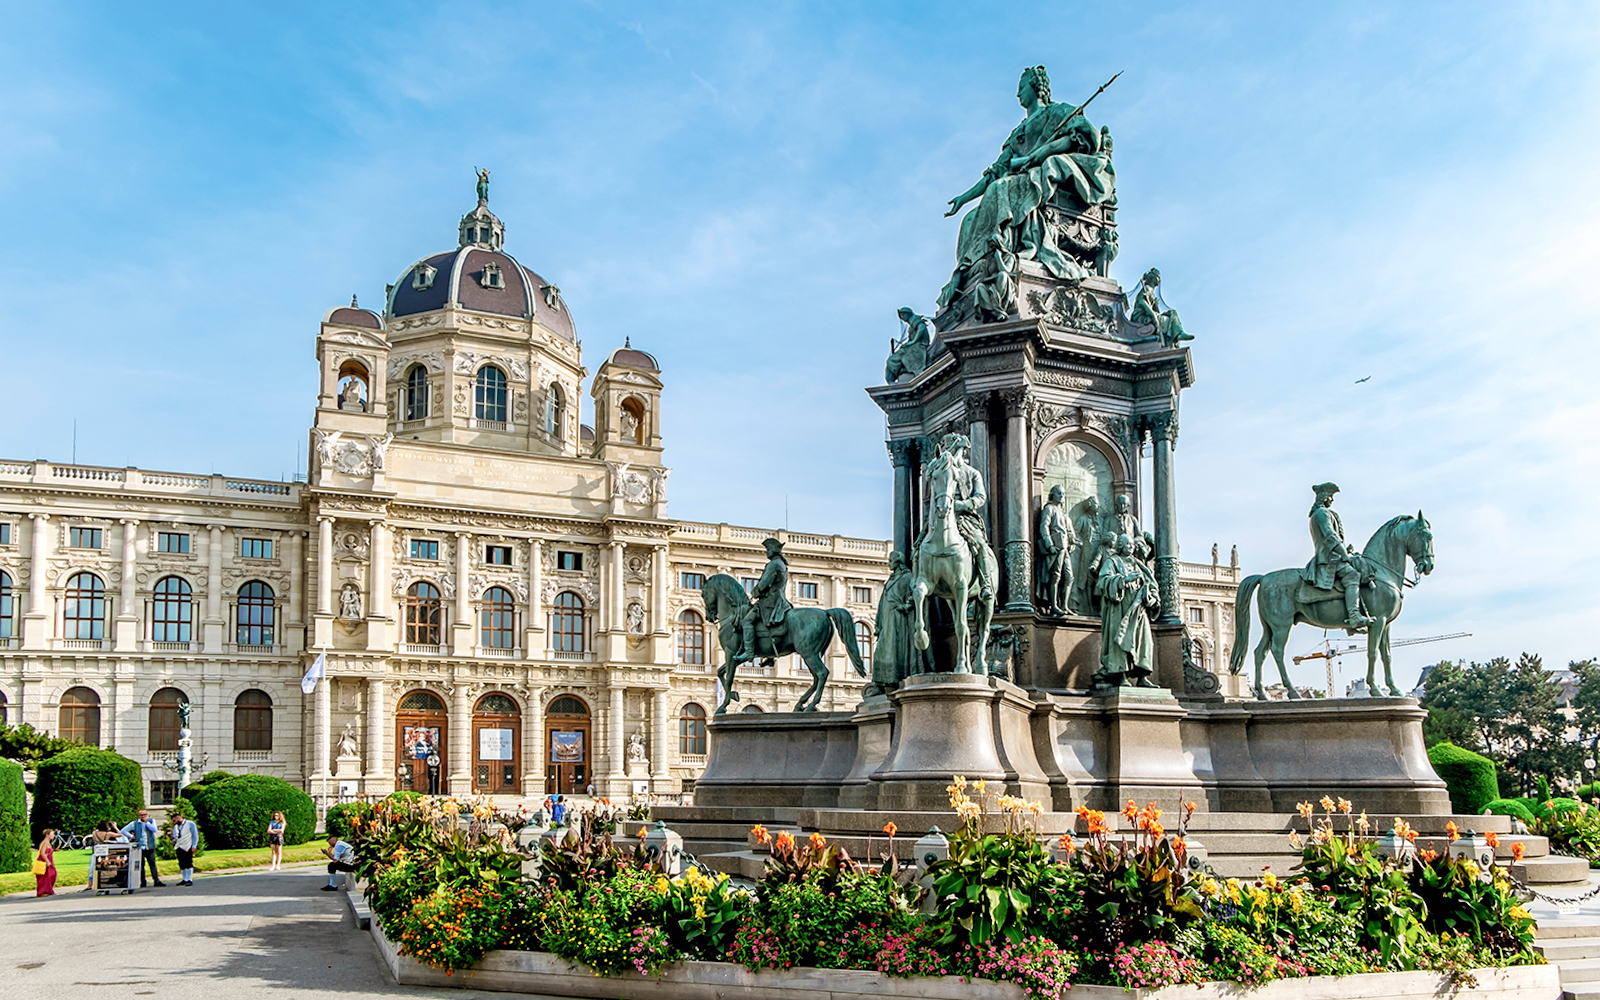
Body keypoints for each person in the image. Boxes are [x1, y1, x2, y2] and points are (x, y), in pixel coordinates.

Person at [1301, 482, 1373, 631]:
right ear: (1325, 497)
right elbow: (1329, 535)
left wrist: (1345, 549)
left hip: (1331, 556)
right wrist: (1343, 552)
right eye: (1331, 496)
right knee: (1353, 576)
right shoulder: (1322, 513)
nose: (1332, 500)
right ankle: (1354, 617)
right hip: (1329, 559)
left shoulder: (1319, 514)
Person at [736, 538, 792, 666]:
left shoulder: (773, 565)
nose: (766, 552)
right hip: (780, 599)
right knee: (767, 625)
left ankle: (749, 652)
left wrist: (755, 592)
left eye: (768, 549)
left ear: (774, 551)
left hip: (770, 601)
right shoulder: (783, 565)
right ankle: (769, 655)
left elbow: (765, 583)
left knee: (747, 621)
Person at [1035, 485, 1073, 615]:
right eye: (1059, 494)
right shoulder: (1049, 509)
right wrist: (1049, 544)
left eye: (1063, 494)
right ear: (1052, 495)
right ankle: (1054, 605)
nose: (1062, 496)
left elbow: (1068, 531)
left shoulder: (1063, 514)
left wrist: (1072, 541)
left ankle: (1065, 605)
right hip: (1056, 547)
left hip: (1065, 548)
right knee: (1055, 576)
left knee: (1069, 577)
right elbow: (1044, 527)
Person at [120, 809, 165, 887]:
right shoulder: (134, 823)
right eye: (141, 815)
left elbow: (154, 829)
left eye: (144, 815)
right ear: (138, 816)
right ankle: (142, 881)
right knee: (141, 865)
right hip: (140, 847)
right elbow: (123, 831)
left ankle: (156, 880)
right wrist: (131, 837)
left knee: (152, 864)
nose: (143, 816)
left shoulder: (151, 821)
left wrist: (146, 822)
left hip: (150, 846)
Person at [171, 811, 200, 886]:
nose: (174, 822)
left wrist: (194, 845)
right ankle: (184, 879)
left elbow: (195, 835)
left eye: (175, 820)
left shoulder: (190, 824)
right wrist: (173, 839)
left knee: (188, 862)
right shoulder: (176, 827)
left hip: (187, 846)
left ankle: (190, 879)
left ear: (178, 818)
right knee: (182, 863)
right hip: (179, 847)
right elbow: (176, 837)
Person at [34, 830, 56, 896]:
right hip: (45, 861)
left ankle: (48, 890)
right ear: (47, 835)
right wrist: (47, 861)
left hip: (49, 861)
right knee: (45, 877)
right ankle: (42, 892)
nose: (53, 836)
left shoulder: (48, 843)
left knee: (52, 874)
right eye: (52, 834)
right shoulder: (45, 843)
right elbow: (42, 853)